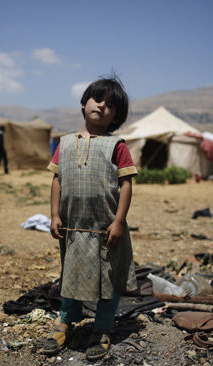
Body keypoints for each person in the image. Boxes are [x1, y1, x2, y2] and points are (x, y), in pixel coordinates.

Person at [45, 75, 137, 360]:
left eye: (110, 106)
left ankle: (103, 327)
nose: (102, 107)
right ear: (84, 103)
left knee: (108, 279)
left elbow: (126, 184)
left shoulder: (117, 145)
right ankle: (66, 323)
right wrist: (53, 215)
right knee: (70, 276)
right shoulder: (65, 143)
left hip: (105, 228)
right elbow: (57, 180)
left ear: (116, 117)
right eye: (97, 100)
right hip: (74, 227)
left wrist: (119, 221)